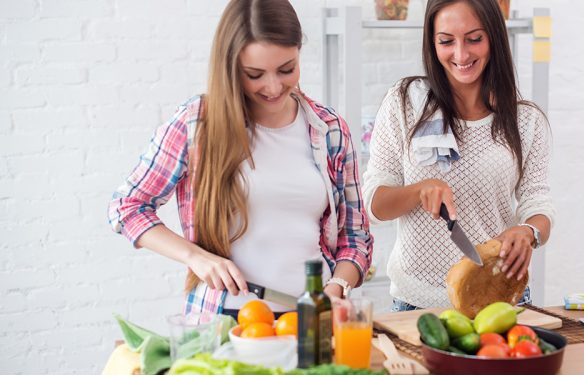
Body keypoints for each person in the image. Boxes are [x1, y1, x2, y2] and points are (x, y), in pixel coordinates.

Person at [108, 0, 372, 318]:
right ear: (231, 66)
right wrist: (197, 258)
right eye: (255, 74)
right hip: (225, 318)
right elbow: (127, 207)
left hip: (311, 319)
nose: (273, 86)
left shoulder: (329, 129)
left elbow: (355, 236)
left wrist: (335, 289)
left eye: (287, 69)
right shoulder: (198, 122)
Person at [363, 0, 554, 312]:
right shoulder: (405, 102)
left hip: (499, 299)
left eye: (474, 39)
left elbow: (538, 202)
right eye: (446, 41)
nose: (461, 55)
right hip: (416, 304)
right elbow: (374, 203)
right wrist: (419, 190)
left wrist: (528, 231)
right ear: (432, 42)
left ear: (494, 37)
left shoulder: (525, 120)